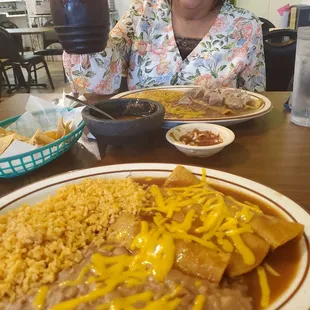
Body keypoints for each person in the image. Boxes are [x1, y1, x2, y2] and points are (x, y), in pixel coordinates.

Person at [63, 0, 266, 95]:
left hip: (216, 147)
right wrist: (80, 24)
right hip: (142, 142)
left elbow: (255, 99)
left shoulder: (246, 25)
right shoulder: (142, 12)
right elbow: (99, 78)